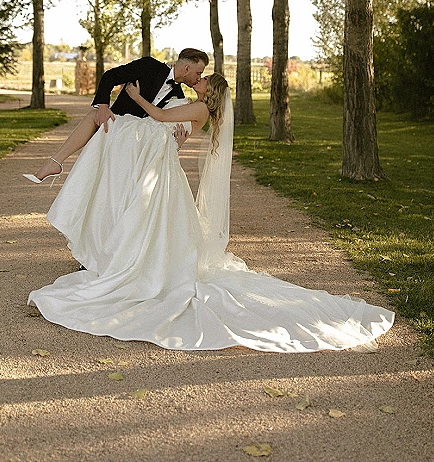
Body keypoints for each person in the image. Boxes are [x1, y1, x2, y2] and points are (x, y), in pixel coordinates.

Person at [28, 75, 395, 352]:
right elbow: (171, 125)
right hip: (157, 163)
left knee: (144, 216)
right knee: (143, 218)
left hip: (157, 162)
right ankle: (121, 250)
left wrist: (135, 96)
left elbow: (159, 115)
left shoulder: (201, 108)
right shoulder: (196, 106)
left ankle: (130, 261)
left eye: (204, 80)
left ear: (211, 91)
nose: (198, 81)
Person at [26, 48, 209, 182]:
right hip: (117, 124)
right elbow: (110, 76)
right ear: (186, 68)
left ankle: (55, 162)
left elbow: (165, 124)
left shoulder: (179, 96)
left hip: (137, 140)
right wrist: (103, 105)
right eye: (198, 73)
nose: (199, 78)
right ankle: (55, 162)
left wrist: (178, 144)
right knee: (95, 115)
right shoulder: (149, 65)